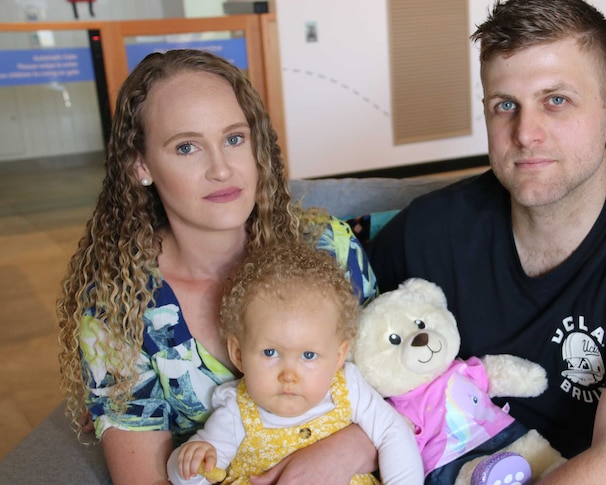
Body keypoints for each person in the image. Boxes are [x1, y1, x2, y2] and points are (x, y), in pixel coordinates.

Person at [368, 1, 606, 484]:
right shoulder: (426, 234)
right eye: (505, 105)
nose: (526, 133)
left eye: (556, 100)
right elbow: (343, 361)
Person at [57, 49, 378, 485]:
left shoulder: (329, 248)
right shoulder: (119, 309)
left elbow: (406, 385)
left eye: (233, 138)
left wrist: (346, 450)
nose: (222, 169)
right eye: (187, 147)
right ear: (141, 164)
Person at [167, 242, 423, 485]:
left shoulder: (348, 388)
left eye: (308, 356)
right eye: (270, 353)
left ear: (337, 357)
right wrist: (190, 460)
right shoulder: (235, 414)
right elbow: (190, 478)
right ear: (238, 355)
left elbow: (393, 432)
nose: (288, 375)